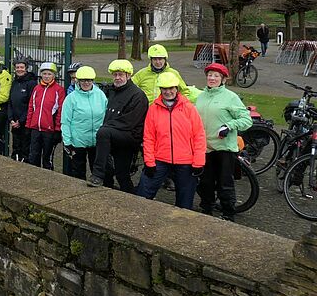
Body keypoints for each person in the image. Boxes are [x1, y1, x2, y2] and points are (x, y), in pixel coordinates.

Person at [136, 72, 207, 210]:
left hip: (185, 161)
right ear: (160, 89)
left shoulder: (188, 108)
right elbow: (149, 137)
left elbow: (199, 135)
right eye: (164, 88)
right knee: (142, 196)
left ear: (177, 88)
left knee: (185, 204)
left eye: (171, 88)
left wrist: (198, 162)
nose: (168, 92)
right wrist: (149, 162)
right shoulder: (153, 109)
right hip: (160, 159)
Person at [195, 63, 253, 220]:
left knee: (224, 183)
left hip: (224, 148)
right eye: (210, 75)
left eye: (216, 76)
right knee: (205, 182)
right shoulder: (201, 96)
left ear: (223, 79)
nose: (212, 78)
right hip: (205, 148)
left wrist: (229, 125)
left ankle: (228, 213)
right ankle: (207, 209)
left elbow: (246, 120)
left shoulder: (230, 97)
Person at [87, 59, 148, 192]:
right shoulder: (111, 91)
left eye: (120, 74)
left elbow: (130, 121)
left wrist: (107, 127)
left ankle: (97, 175)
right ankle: (127, 194)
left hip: (129, 136)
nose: (117, 77)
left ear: (128, 75)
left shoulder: (138, 95)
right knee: (122, 174)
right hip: (114, 134)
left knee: (103, 133)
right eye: (115, 75)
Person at [61, 66, 107, 180]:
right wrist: (67, 141)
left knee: (98, 171)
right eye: (83, 80)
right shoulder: (71, 98)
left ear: (93, 80)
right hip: (78, 141)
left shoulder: (100, 95)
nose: (86, 83)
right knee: (78, 172)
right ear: (78, 81)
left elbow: (106, 116)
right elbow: (65, 121)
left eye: (89, 80)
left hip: (97, 140)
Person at [26, 62, 65, 169]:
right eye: (44, 74)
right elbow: (31, 107)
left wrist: (57, 129)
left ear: (54, 75)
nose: (46, 76)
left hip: (49, 130)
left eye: (49, 74)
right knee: (34, 156)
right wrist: (28, 126)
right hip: (35, 129)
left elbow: (60, 111)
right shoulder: (36, 88)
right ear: (41, 75)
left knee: (47, 158)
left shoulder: (59, 90)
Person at [7, 59, 36, 162]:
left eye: (22, 67)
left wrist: (21, 121)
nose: (19, 69)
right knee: (15, 147)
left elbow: (31, 104)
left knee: (25, 149)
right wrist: (11, 119)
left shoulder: (31, 83)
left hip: (25, 123)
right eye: (17, 67)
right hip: (14, 122)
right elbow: (10, 101)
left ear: (26, 69)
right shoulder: (14, 82)